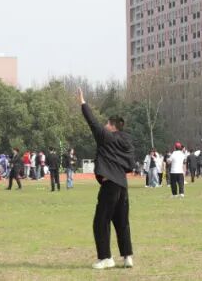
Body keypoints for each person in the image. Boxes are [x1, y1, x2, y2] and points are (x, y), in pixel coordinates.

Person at [79, 87, 134, 270]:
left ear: (112, 126)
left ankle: (106, 258)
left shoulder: (106, 137)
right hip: (122, 185)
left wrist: (83, 103)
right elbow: (130, 164)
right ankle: (127, 257)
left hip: (110, 184)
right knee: (122, 222)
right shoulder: (126, 142)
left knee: (101, 221)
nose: (104, 126)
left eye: (107, 124)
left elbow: (92, 123)